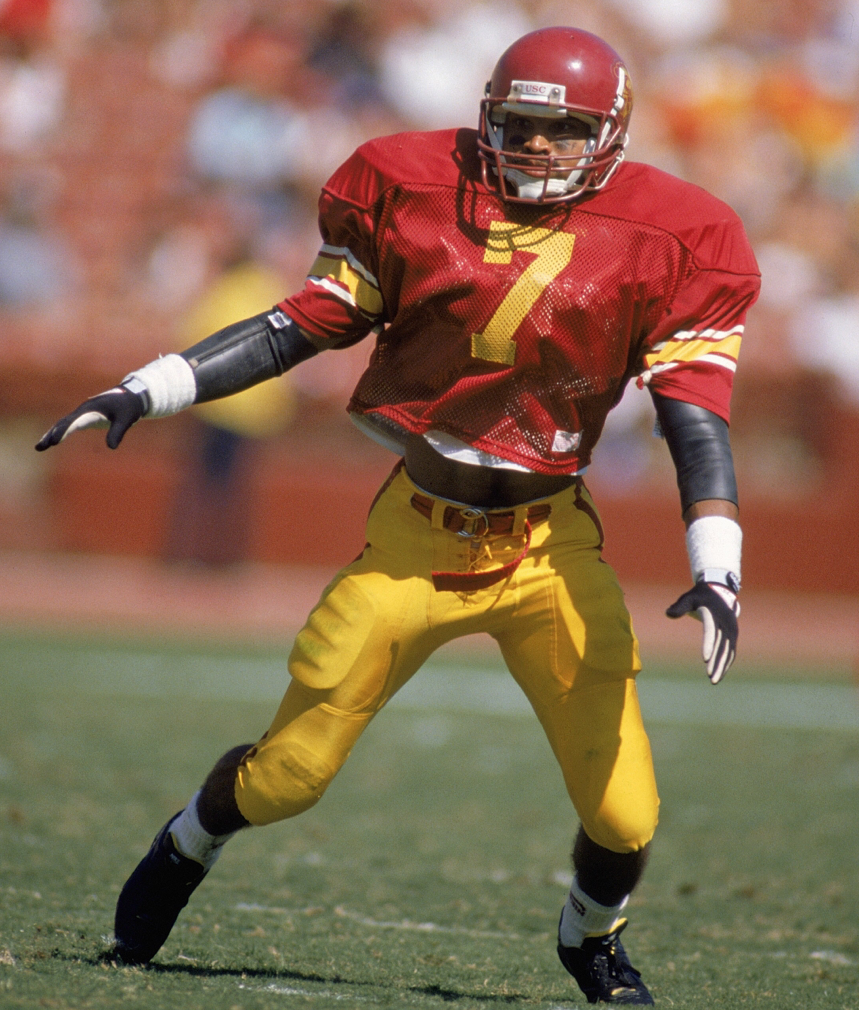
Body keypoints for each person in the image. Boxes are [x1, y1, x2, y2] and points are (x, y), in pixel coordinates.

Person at [36, 26, 759, 1005]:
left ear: (611, 133)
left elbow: (693, 415)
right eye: (520, 122)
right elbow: (301, 323)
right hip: (417, 535)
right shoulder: (411, 185)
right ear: (487, 116)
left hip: (548, 547)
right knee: (287, 778)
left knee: (626, 815)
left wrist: (716, 561)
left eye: (563, 129)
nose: (537, 144)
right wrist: (148, 386)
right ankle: (190, 837)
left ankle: (591, 936)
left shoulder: (677, 233)